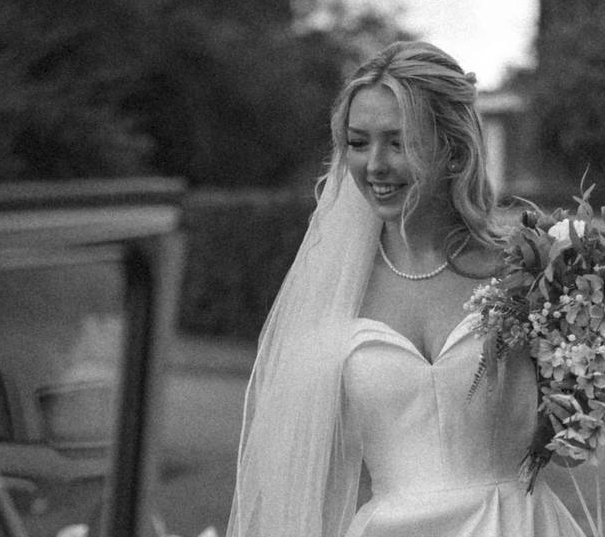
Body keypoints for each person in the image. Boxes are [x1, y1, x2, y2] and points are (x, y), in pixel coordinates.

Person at [227, 41, 586, 537]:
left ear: (454, 148)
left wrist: (581, 411)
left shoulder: (527, 269)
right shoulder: (334, 291)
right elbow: (312, 476)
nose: (375, 165)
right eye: (358, 143)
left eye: (399, 143)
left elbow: (569, 443)